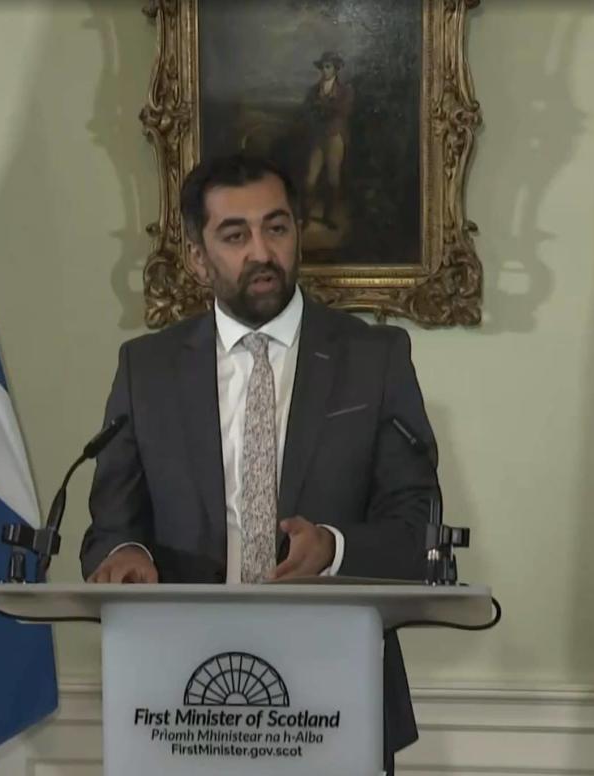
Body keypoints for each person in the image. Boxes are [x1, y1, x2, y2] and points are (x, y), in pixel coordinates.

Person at [79, 153, 437, 772]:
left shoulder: (374, 358)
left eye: (277, 228)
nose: (262, 252)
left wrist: (333, 547)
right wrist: (123, 557)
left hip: (336, 691)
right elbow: (112, 527)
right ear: (197, 257)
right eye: (235, 235)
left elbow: (419, 528)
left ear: (298, 233)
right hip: (179, 699)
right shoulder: (147, 370)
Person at [301, 51, 354, 229]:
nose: (324, 70)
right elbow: (307, 112)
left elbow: (342, 112)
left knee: (333, 178)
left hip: (334, 136)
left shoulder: (345, 91)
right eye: (323, 67)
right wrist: (321, 110)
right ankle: (305, 217)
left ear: (336, 69)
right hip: (318, 137)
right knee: (310, 178)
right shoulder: (313, 91)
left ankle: (327, 217)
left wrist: (322, 108)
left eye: (328, 66)